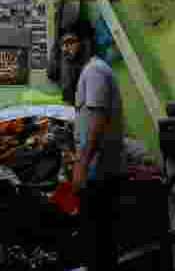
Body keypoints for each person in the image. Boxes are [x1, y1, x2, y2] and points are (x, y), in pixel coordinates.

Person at [63, 32, 124, 271]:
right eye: (63, 45)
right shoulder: (90, 71)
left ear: (85, 42)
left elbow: (98, 119)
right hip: (96, 166)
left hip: (98, 170)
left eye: (70, 42)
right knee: (99, 238)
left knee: (98, 238)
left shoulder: (95, 71)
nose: (66, 49)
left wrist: (81, 164)